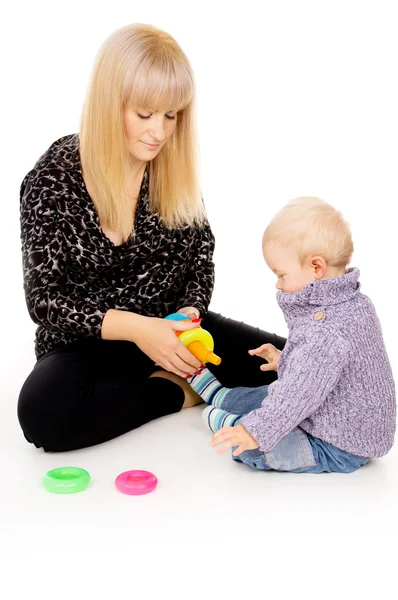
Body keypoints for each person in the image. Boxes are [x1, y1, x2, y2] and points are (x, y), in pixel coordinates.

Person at [17, 23, 285, 452]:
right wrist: (139, 331)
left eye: (171, 115)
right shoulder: (54, 177)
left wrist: (188, 315)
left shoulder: (169, 168)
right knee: (43, 414)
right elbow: (45, 298)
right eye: (144, 114)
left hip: (173, 332)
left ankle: (177, 375)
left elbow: (201, 255)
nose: (158, 132)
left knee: (291, 362)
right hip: (88, 347)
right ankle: (182, 390)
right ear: (109, 104)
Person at [187, 197, 396, 473]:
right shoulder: (355, 304)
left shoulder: (324, 330)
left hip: (338, 444)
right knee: (272, 392)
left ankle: (236, 427)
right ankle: (222, 396)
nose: (277, 283)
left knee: (260, 445)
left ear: (316, 268)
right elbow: (328, 368)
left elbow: (300, 394)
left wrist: (254, 433)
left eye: (281, 274)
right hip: (346, 417)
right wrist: (288, 358)